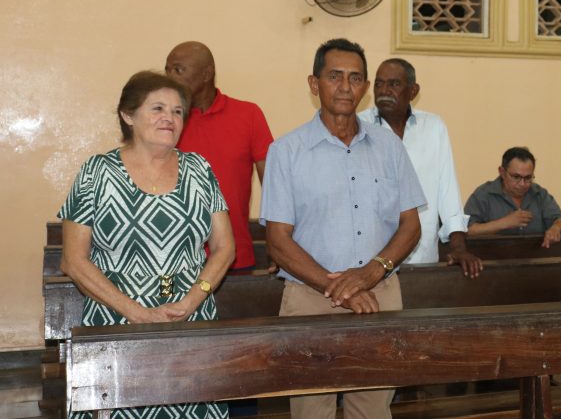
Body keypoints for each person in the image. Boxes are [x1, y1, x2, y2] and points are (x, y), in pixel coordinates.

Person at [261, 38, 425, 419]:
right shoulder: (286, 151)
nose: (345, 87)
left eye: (355, 78)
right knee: (311, 411)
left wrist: (370, 273)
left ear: (365, 87)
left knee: (372, 411)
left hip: (379, 296)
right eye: (334, 76)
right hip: (309, 298)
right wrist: (342, 289)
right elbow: (278, 241)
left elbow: (411, 226)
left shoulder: (389, 147)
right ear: (314, 83)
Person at [58, 71, 234, 419]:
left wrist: (192, 300)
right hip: (116, 320)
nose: (170, 117)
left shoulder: (200, 169)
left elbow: (225, 247)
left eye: (178, 111)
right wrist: (136, 313)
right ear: (128, 115)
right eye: (157, 108)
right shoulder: (97, 172)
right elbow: (73, 261)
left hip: (190, 319)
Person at [358, 58, 482, 277]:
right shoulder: (359, 127)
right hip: (370, 262)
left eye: (394, 84)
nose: (384, 91)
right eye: (379, 84)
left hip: (422, 258)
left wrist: (459, 248)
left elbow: (447, 191)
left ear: (413, 91)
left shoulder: (433, 127)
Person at [165, 41, 274, 271]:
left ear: (206, 74)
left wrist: (278, 246)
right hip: (174, 262)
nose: (169, 77)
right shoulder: (165, 122)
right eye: (167, 70)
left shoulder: (248, 115)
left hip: (234, 259)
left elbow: (273, 187)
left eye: (178, 70)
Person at [465, 147, 561, 247]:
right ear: (502, 172)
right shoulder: (484, 194)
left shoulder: (539, 194)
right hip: (491, 257)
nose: (522, 184)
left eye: (528, 178)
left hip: (535, 257)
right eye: (516, 177)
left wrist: (556, 228)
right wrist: (504, 223)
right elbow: (467, 230)